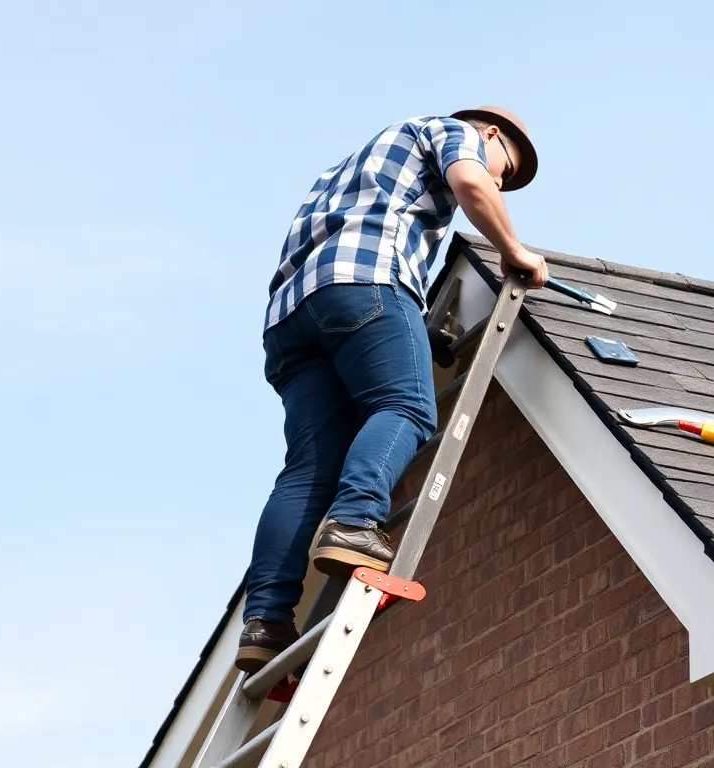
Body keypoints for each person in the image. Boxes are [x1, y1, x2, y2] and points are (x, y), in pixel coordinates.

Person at [235, 106, 549, 673]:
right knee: (405, 405)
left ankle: (265, 620)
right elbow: (472, 181)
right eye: (508, 169)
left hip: (290, 321)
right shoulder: (450, 131)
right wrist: (514, 249)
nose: (501, 181)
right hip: (366, 279)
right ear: (492, 135)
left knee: (308, 468)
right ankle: (354, 521)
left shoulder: (348, 171)